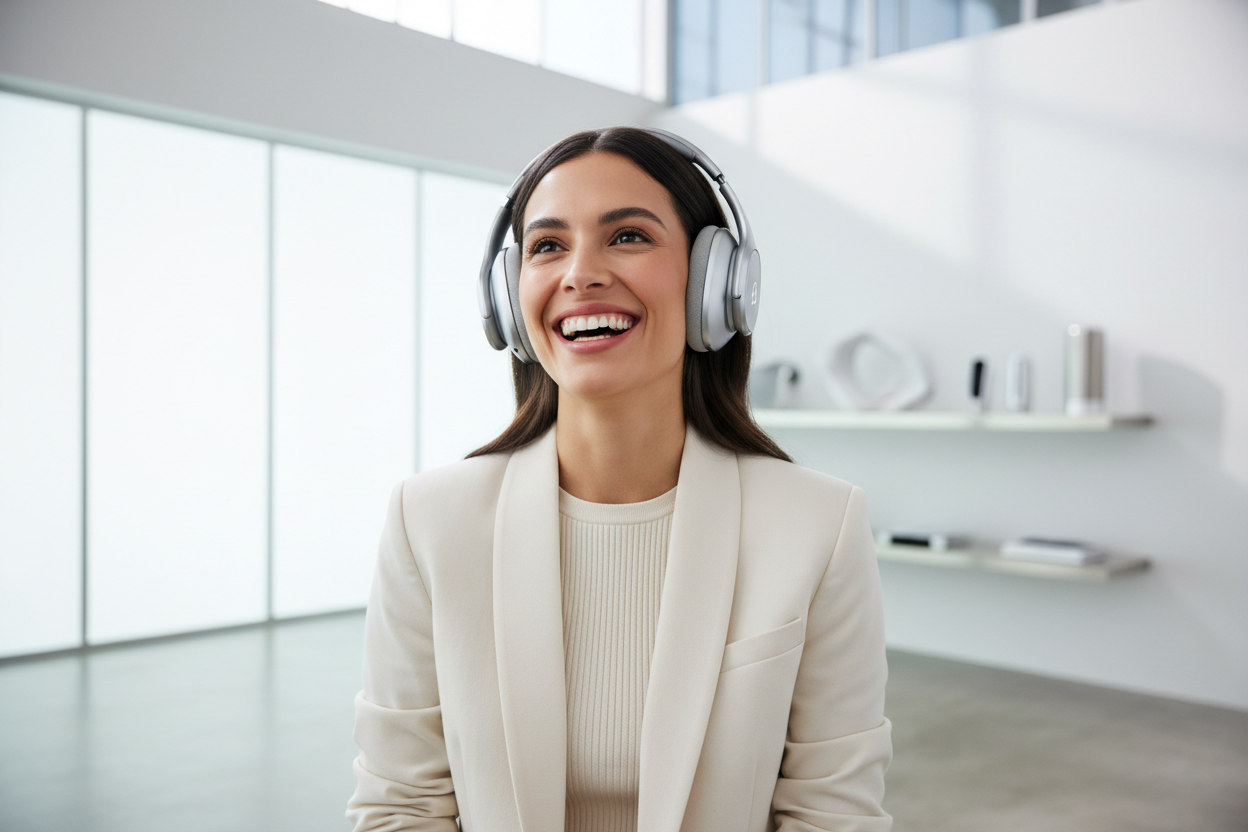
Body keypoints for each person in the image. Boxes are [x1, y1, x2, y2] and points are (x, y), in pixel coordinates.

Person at [346, 127, 891, 832]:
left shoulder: (818, 525)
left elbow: (833, 815)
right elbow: (400, 806)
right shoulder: (429, 521)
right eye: (547, 246)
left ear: (716, 282)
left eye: (628, 236)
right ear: (509, 301)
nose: (580, 274)